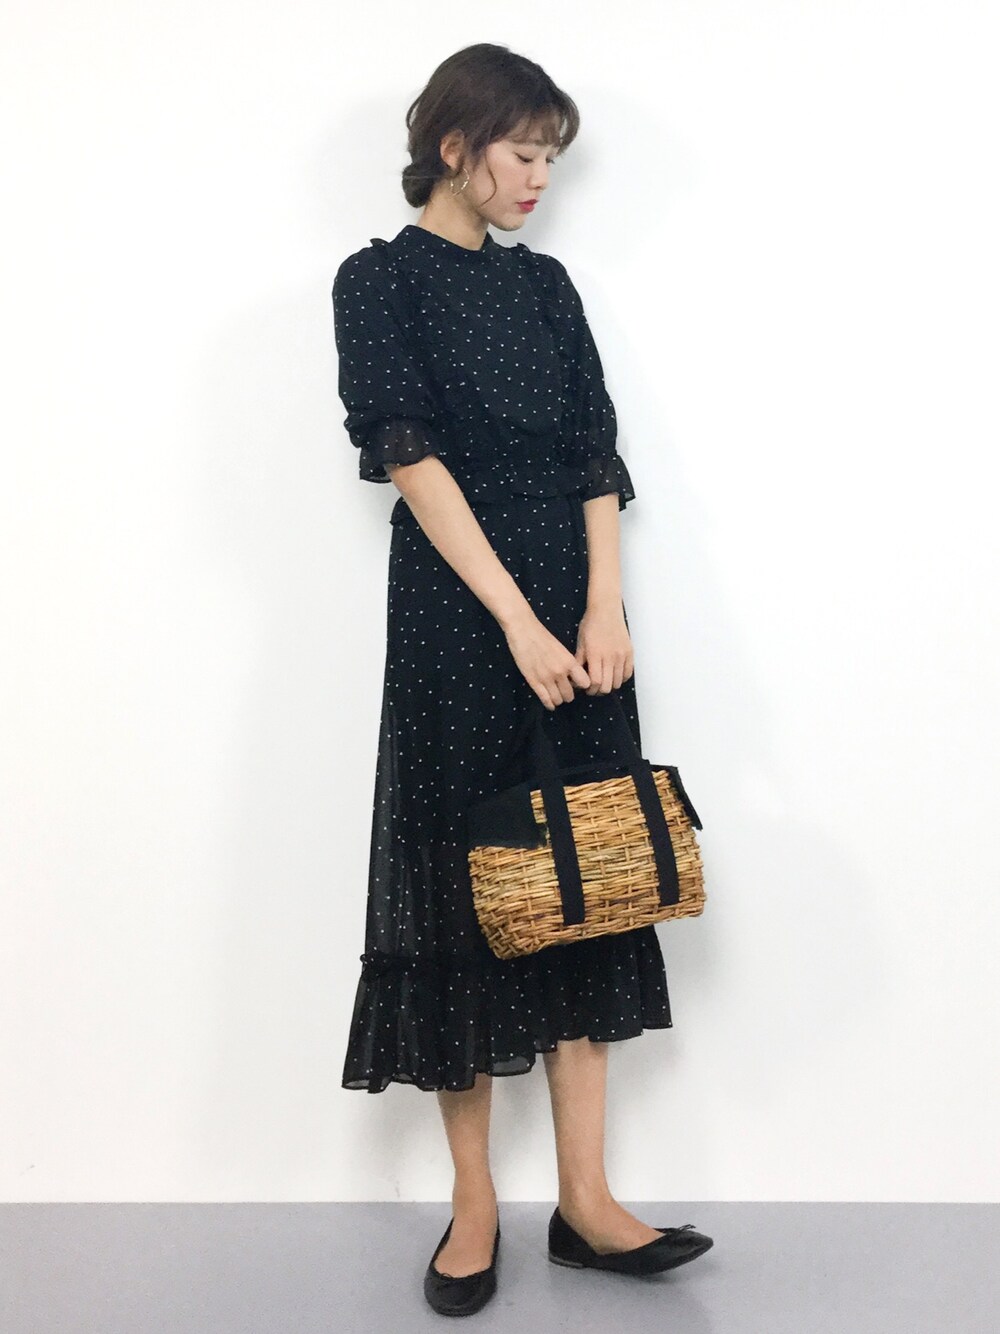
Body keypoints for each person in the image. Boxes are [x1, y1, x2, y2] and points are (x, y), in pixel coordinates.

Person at [331, 42, 712, 1317]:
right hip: (460, 616)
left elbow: (595, 448)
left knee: (587, 881)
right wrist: (515, 620)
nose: (541, 178)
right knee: (467, 890)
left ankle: (587, 1201)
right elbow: (409, 454)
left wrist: (602, 605)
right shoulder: (377, 281)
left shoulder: (545, 286)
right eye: (524, 153)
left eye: (553, 156)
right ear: (454, 147)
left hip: (577, 615)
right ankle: (476, 1203)